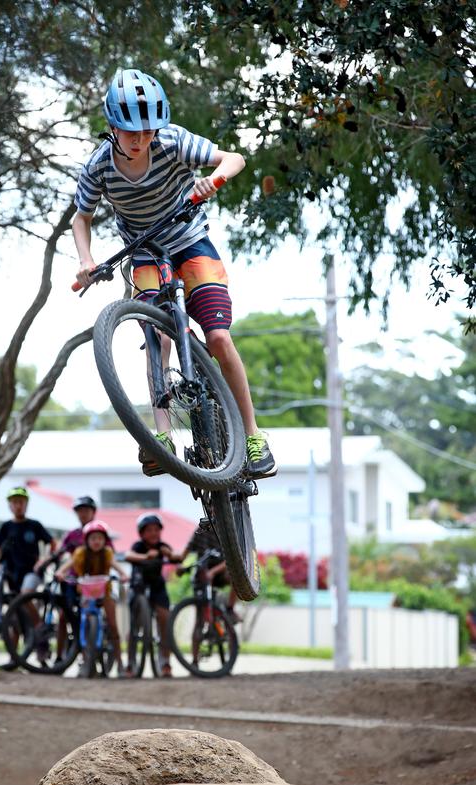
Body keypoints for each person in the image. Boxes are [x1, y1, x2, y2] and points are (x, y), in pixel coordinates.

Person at [72, 67, 277, 480]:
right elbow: (82, 217)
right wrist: (85, 260)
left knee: (218, 337)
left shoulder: (173, 141)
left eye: (147, 131)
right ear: (112, 127)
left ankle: (254, 436)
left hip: (191, 241)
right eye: (131, 132)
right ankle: (161, 437)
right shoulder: (98, 167)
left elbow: (235, 158)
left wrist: (214, 179)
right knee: (156, 338)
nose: (141, 139)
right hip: (145, 252)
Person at [55, 519, 128, 677]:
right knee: (83, 624)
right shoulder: (80, 553)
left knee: (113, 625)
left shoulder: (108, 553)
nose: (97, 542)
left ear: (105, 540)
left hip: (105, 593)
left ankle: (120, 662)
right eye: (93, 538)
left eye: (100, 538)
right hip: (86, 593)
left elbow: (116, 565)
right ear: (87, 540)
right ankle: (85, 661)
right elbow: (69, 564)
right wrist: (61, 572)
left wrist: (123, 574)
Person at [54, 496, 113, 665]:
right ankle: (60, 657)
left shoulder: (101, 533)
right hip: (75, 582)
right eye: (80, 511)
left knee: (108, 617)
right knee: (64, 616)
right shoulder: (72, 535)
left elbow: (111, 556)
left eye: (87, 510)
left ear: (93, 512)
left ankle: (108, 654)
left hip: (99, 584)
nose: (83, 514)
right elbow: (62, 555)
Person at [125, 513, 183, 677]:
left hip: (157, 586)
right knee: (134, 625)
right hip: (138, 586)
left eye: (156, 530)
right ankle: (130, 662)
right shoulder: (138, 546)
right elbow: (128, 555)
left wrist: (173, 557)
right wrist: (145, 556)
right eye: (149, 530)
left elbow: (176, 558)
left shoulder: (162, 546)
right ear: (142, 533)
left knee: (165, 618)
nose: (153, 533)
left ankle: (165, 661)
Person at [0, 486, 56, 593]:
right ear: (10, 505)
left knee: (24, 596)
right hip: (11, 572)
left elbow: (52, 543)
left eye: (21, 502)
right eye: (15, 502)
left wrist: (44, 560)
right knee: (15, 603)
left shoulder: (34, 525)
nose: (18, 506)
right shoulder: (6, 527)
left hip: (32, 571)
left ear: (26, 504)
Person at [181, 519, 241, 624]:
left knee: (236, 575)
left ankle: (230, 609)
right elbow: (183, 555)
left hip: (219, 573)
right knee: (199, 621)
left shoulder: (226, 531)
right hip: (202, 575)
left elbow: (230, 559)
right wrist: (180, 566)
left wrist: (213, 572)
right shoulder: (200, 531)